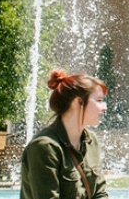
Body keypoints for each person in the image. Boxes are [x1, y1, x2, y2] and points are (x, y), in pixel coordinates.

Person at [21, 69, 110, 199]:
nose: (104, 107)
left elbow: (100, 193)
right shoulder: (45, 147)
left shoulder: (91, 141)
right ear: (78, 102)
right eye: (99, 100)